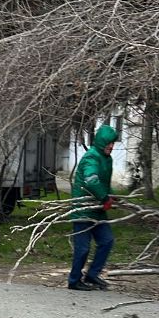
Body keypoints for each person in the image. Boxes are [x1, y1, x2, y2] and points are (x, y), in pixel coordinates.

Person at [68, 124, 119, 291]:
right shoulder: (92, 157)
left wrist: (111, 196)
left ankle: (92, 274)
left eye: (113, 143)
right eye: (108, 143)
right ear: (101, 142)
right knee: (83, 248)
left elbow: (103, 183)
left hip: (97, 209)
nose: (111, 146)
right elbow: (92, 181)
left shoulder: (107, 159)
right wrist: (105, 198)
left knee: (107, 241)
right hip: (83, 209)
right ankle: (74, 281)